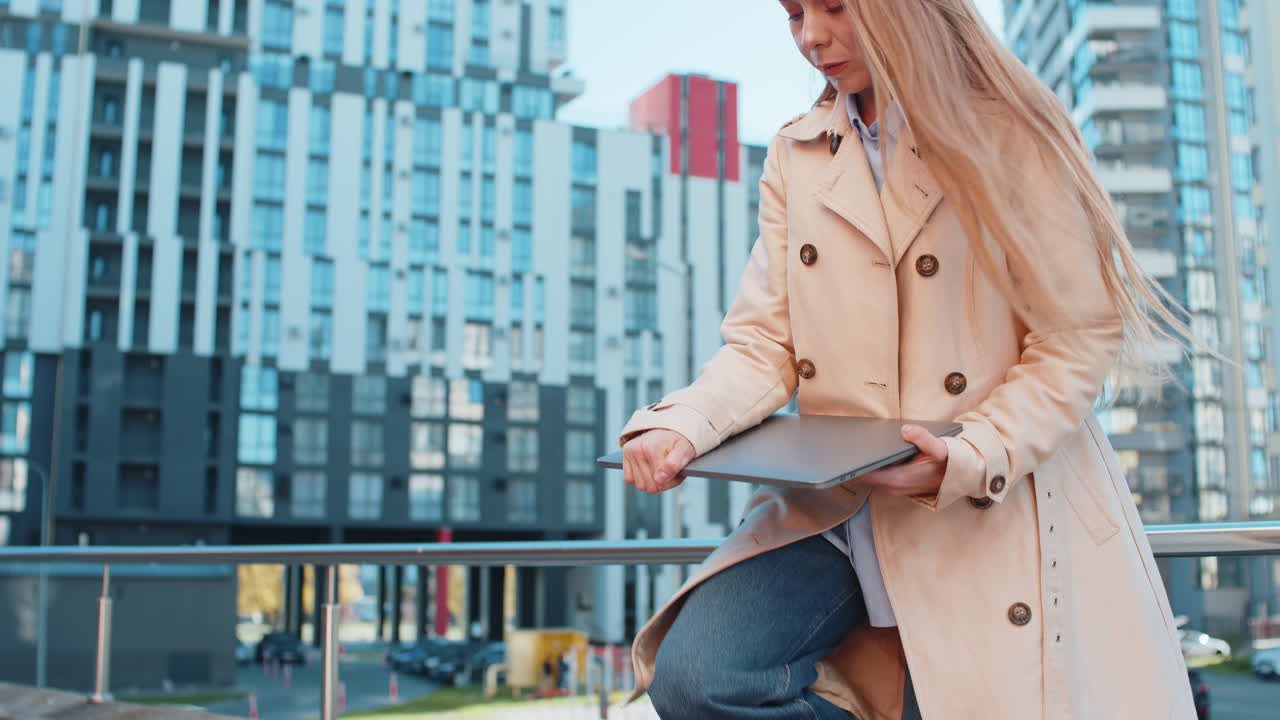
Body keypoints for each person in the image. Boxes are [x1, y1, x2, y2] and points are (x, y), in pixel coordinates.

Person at [617, 1, 1205, 718]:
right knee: (700, 676)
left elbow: (1076, 338)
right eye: (795, 13)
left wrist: (970, 453)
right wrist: (683, 424)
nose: (812, 36)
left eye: (835, 7)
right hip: (837, 505)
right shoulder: (796, 152)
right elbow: (766, 344)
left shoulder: (1012, 133)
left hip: (986, 498)